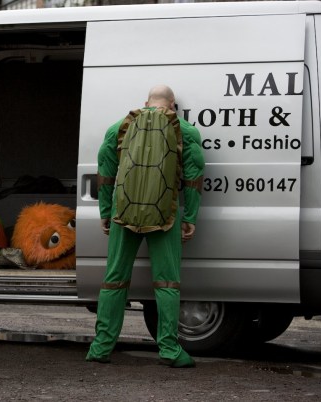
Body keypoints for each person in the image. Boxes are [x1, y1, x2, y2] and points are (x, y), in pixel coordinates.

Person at [85, 85, 204, 368]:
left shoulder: (119, 126)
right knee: (167, 282)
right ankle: (169, 349)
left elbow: (105, 172)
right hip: (165, 216)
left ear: (145, 102)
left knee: (114, 280)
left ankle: (101, 348)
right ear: (173, 106)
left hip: (122, 213)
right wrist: (190, 219)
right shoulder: (186, 131)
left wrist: (104, 211)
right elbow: (194, 177)